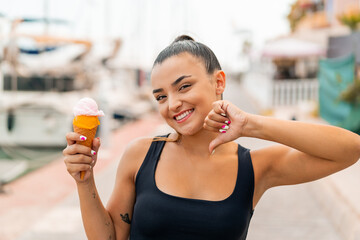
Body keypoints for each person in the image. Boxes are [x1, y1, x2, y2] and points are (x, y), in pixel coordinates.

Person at [63, 35, 360, 240]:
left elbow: (349, 149)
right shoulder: (141, 156)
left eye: (184, 87)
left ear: (219, 82)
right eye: (161, 96)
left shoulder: (254, 168)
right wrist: (84, 179)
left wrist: (252, 125)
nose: (172, 104)